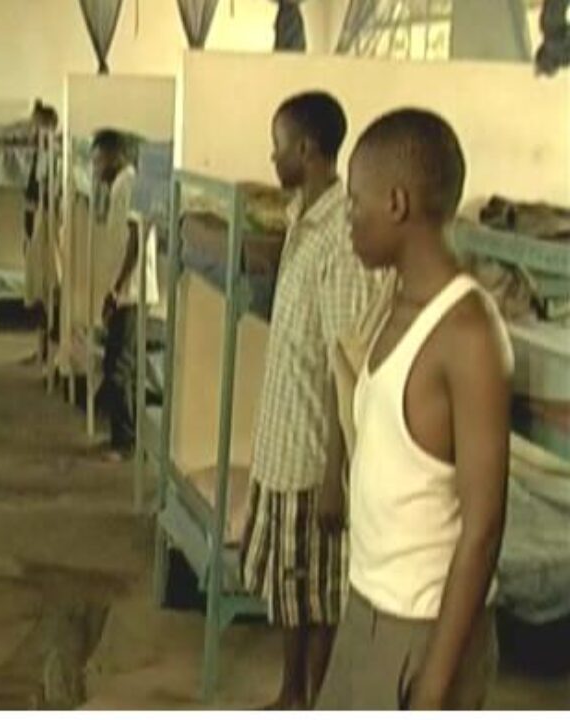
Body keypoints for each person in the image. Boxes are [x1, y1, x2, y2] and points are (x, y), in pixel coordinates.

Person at [317, 109, 512, 711]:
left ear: (397, 204)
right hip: (368, 608)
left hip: (425, 628)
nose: (348, 219)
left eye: (356, 203)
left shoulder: (467, 333)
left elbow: (484, 527)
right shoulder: (394, 303)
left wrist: (433, 684)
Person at [239, 91, 386, 710]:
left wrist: (333, 476)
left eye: (278, 145)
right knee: (290, 589)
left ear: (305, 148)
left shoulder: (342, 241)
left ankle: (312, 701)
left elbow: (344, 362)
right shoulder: (304, 218)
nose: (272, 157)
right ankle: (290, 693)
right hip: (283, 444)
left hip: (311, 454)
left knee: (317, 596)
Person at [89, 129, 142, 463]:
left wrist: (118, 287)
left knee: (118, 367)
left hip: (129, 291)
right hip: (122, 289)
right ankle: (119, 437)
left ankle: (125, 442)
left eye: (98, 160)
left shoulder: (129, 184)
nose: (95, 168)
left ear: (115, 156)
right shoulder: (120, 184)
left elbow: (136, 238)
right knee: (114, 364)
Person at [24, 102, 61, 367]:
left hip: (48, 227)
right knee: (38, 289)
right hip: (37, 225)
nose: (32, 131)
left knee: (50, 290)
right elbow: (32, 197)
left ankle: (50, 351)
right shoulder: (40, 156)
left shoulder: (55, 156)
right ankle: (41, 349)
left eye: (36, 126)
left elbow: (48, 197)